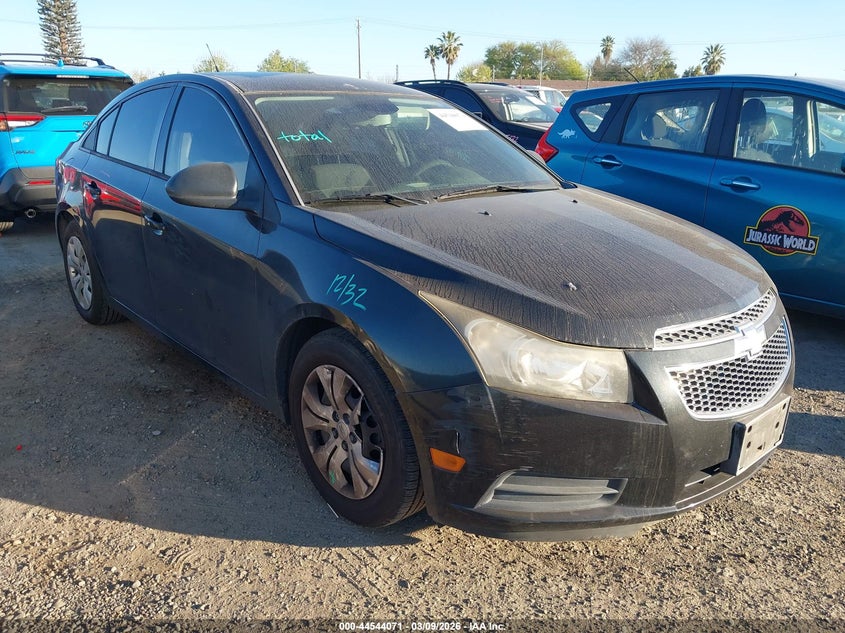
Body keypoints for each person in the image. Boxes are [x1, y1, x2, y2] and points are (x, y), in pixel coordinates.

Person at [735, 98, 774, 162]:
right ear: (750, 125)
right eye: (758, 131)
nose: (762, 131)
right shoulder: (734, 143)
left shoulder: (748, 142)